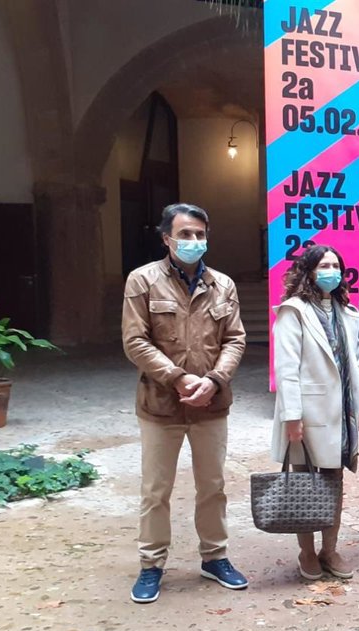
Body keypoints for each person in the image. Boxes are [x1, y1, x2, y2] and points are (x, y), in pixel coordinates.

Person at [122, 203, 247, 603]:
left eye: (200, 234)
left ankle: (215, 557)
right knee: (155, 490)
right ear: (167, 238)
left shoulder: (222, 285)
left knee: (212, 486)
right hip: (161, 404)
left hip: (211, 404)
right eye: (185, 234)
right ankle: (151, 564)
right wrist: (178, 377)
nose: (194, 241)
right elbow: (135, 340)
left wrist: (214, 379)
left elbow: (235, 339)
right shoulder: (143, 280)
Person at [271, 244, 359, 581]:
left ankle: (330, 549)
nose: (331, 271)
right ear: (309, 272)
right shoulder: (293, 311)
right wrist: (292, 417)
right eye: (324, 266)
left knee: (333, 480)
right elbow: (287, 369)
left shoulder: (348, 312)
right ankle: (307, 551)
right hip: (307, 412)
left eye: (336, 266)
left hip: (340, 412)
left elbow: (355, 364)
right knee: (304, 481)